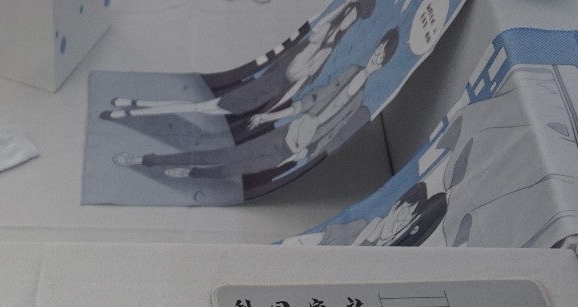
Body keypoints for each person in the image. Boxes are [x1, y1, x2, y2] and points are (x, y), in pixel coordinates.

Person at [112, 29, 399, 183]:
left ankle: (194, 173)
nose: (375, 58)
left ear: (383, 63)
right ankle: (147, 159)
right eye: (377, 51)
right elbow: (307, 102)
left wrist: (304, 154)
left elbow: (334, 130)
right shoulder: (348, 70)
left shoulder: (361, 97)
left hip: (293, 150)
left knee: (231, 170)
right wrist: (269, 117)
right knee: (223, 154)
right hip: (283, 132)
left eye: (380, 57)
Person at [101, 0, 374, 124]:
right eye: (350, 13)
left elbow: (299, 82)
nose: (349, 18)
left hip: (267, 82)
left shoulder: (328, 46)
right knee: (200, 105)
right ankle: (133, 108)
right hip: (262, 73)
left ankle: (133, 108)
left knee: (201, 107)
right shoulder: (321, 32)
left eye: (353, 16)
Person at [317, 181, 448, 245]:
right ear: (395, 207)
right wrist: (371, 236)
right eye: (402, 213)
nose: (401, 221)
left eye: (408, 219)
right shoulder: (362, 226)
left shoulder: (401, 241)